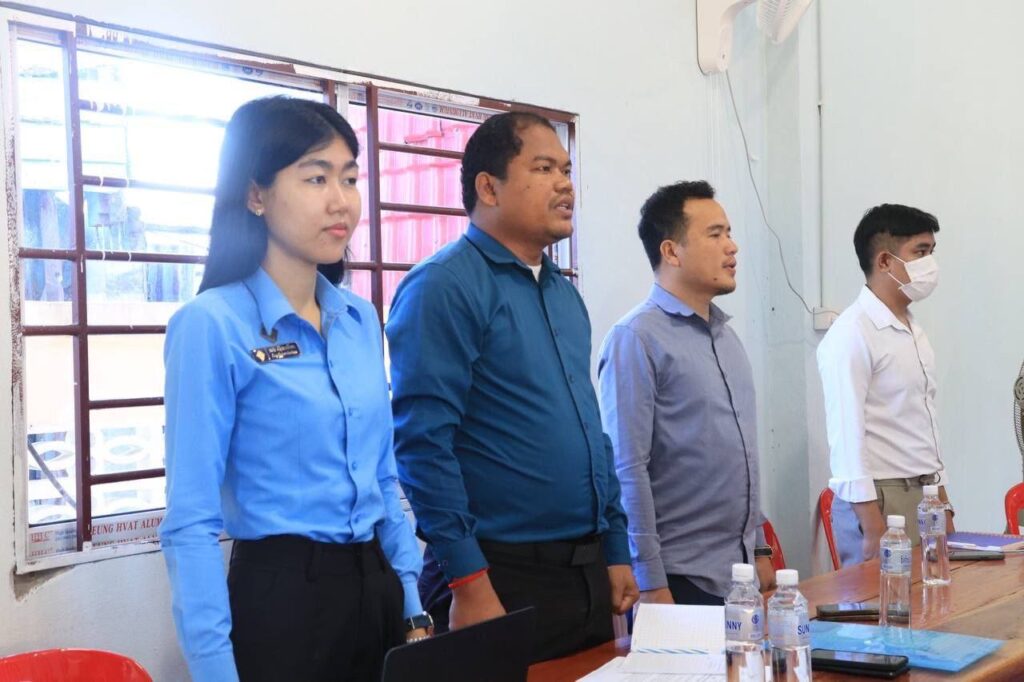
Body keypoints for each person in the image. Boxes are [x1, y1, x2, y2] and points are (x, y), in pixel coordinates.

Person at [159, 96, 429, 682]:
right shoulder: (211, 325)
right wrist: (214, 671)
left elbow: (383, 480)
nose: (341, 201)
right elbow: (190, 522)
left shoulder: (359, 320)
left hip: (377, 590)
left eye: (349, 178)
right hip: (282, 603)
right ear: (255, 194)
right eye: (315, 178)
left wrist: (411, 600)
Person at [386, 112, 639, 662]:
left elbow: (592, 435)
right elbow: (423, 444)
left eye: (566, 170)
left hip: (585, 573)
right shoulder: (444, 285)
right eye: (544, 168)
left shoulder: (563, 294)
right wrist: (468, 581)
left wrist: (616, 546)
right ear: (488, 187)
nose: (565, 184)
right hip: (498, 577)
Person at [598, 180, 774, 607]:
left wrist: (761, 547)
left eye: (729, 233)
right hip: (679, 578)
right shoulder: (635, 338)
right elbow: (628, 468)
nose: (732, 246)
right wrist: (650, 580)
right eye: (715, 234)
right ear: (671, 251)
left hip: (740, 573)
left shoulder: (727, 338)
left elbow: (744, 458)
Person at [817, 203, 954, 567]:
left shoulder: (912, 328)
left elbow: (923, 424)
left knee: (934, 595)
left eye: (932, 251)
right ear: (884, 262)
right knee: (885, 600)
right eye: (920, 252)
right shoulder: (852, 332)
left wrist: (942, 501)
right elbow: (846, 436)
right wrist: (871, 523)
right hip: (880, 498)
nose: (930, 264)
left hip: (923, 491)